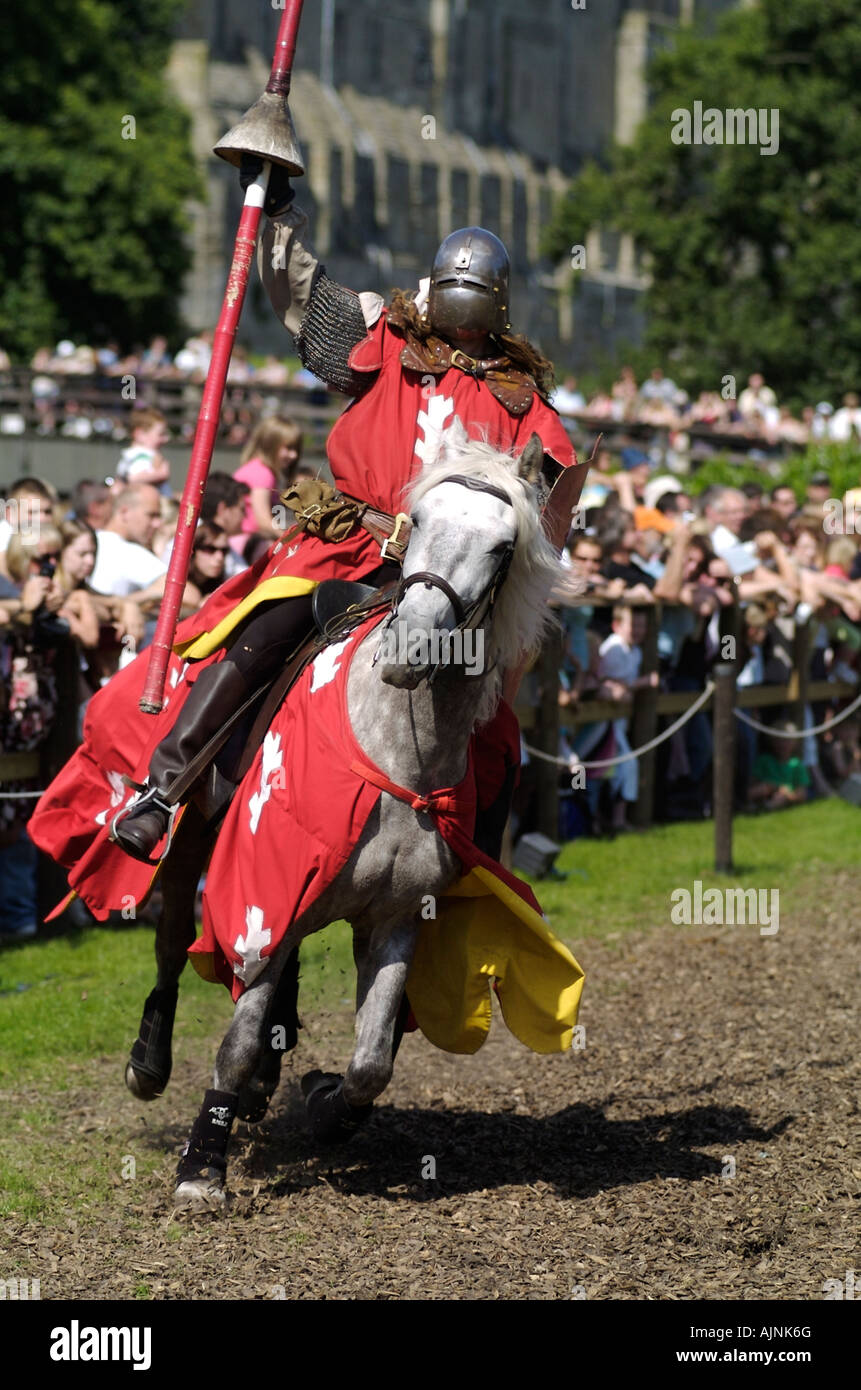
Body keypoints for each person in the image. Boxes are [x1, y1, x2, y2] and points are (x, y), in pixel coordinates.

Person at [111, 163, 577, 861]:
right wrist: (278, 205)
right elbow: (302, 293)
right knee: (260, 636)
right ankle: (163, 790)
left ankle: (466, 873)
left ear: (498, 303)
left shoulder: (526, 408)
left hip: (449, 583)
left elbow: (546, 522)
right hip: (348, 546)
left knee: (490, 733)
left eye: (475, 291)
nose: (462, 306)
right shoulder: (386, 342)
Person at [231, 416, 303, 563]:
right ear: (271, 445)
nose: (293, 455)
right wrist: (290, 539)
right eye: (288, 448)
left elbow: (277, 519)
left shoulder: (267, 472)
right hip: (245, 546)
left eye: (296, 449)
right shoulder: (263, 473)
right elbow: (263, 521)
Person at [114, 408, 171, 493]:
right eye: (161, 434)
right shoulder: (142, 456)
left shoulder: (133, 455)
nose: (166, 439)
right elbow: (133, 478)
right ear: (140, 434)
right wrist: (161, 474)